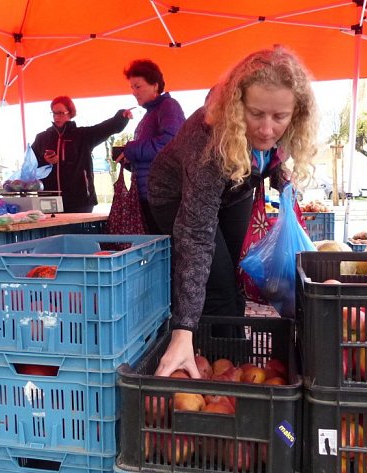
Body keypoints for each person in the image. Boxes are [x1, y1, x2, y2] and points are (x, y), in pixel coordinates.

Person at [148, 46, 318, 378]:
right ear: (237, 106)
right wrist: (183, 328)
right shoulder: (209, 139)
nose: (267, 130)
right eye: (256, 114)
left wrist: (280, 177)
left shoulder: (284, 127)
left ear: (295, 113)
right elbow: (196, 238)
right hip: (176, 195)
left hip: (236, 187)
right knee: (217, 282)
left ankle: (236, 362)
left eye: (279, 117)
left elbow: (266, 157)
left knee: (234, 278)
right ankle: (213, 363)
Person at [31, 96, 132, 213]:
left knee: (78, 231)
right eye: (54, 113)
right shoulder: (42, 138)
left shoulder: (83, 136)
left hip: (80, 201)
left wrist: (121, 117)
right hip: (48, 200)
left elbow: (105, 128)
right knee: (53, 232)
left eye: (60, 113)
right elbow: (30, 165)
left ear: (70, 113)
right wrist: (45, 161)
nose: (56, 117)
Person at [117, 59, 185, 232]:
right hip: (151, 194)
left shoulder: (169, 106)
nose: (134, 92)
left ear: (155, 85)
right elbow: (152, 158)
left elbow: (171, 143)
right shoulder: (150, 114)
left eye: (138, 86)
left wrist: (131, 150)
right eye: (132, 87)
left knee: (166, 249)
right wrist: (130, 161)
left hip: (165, 196)